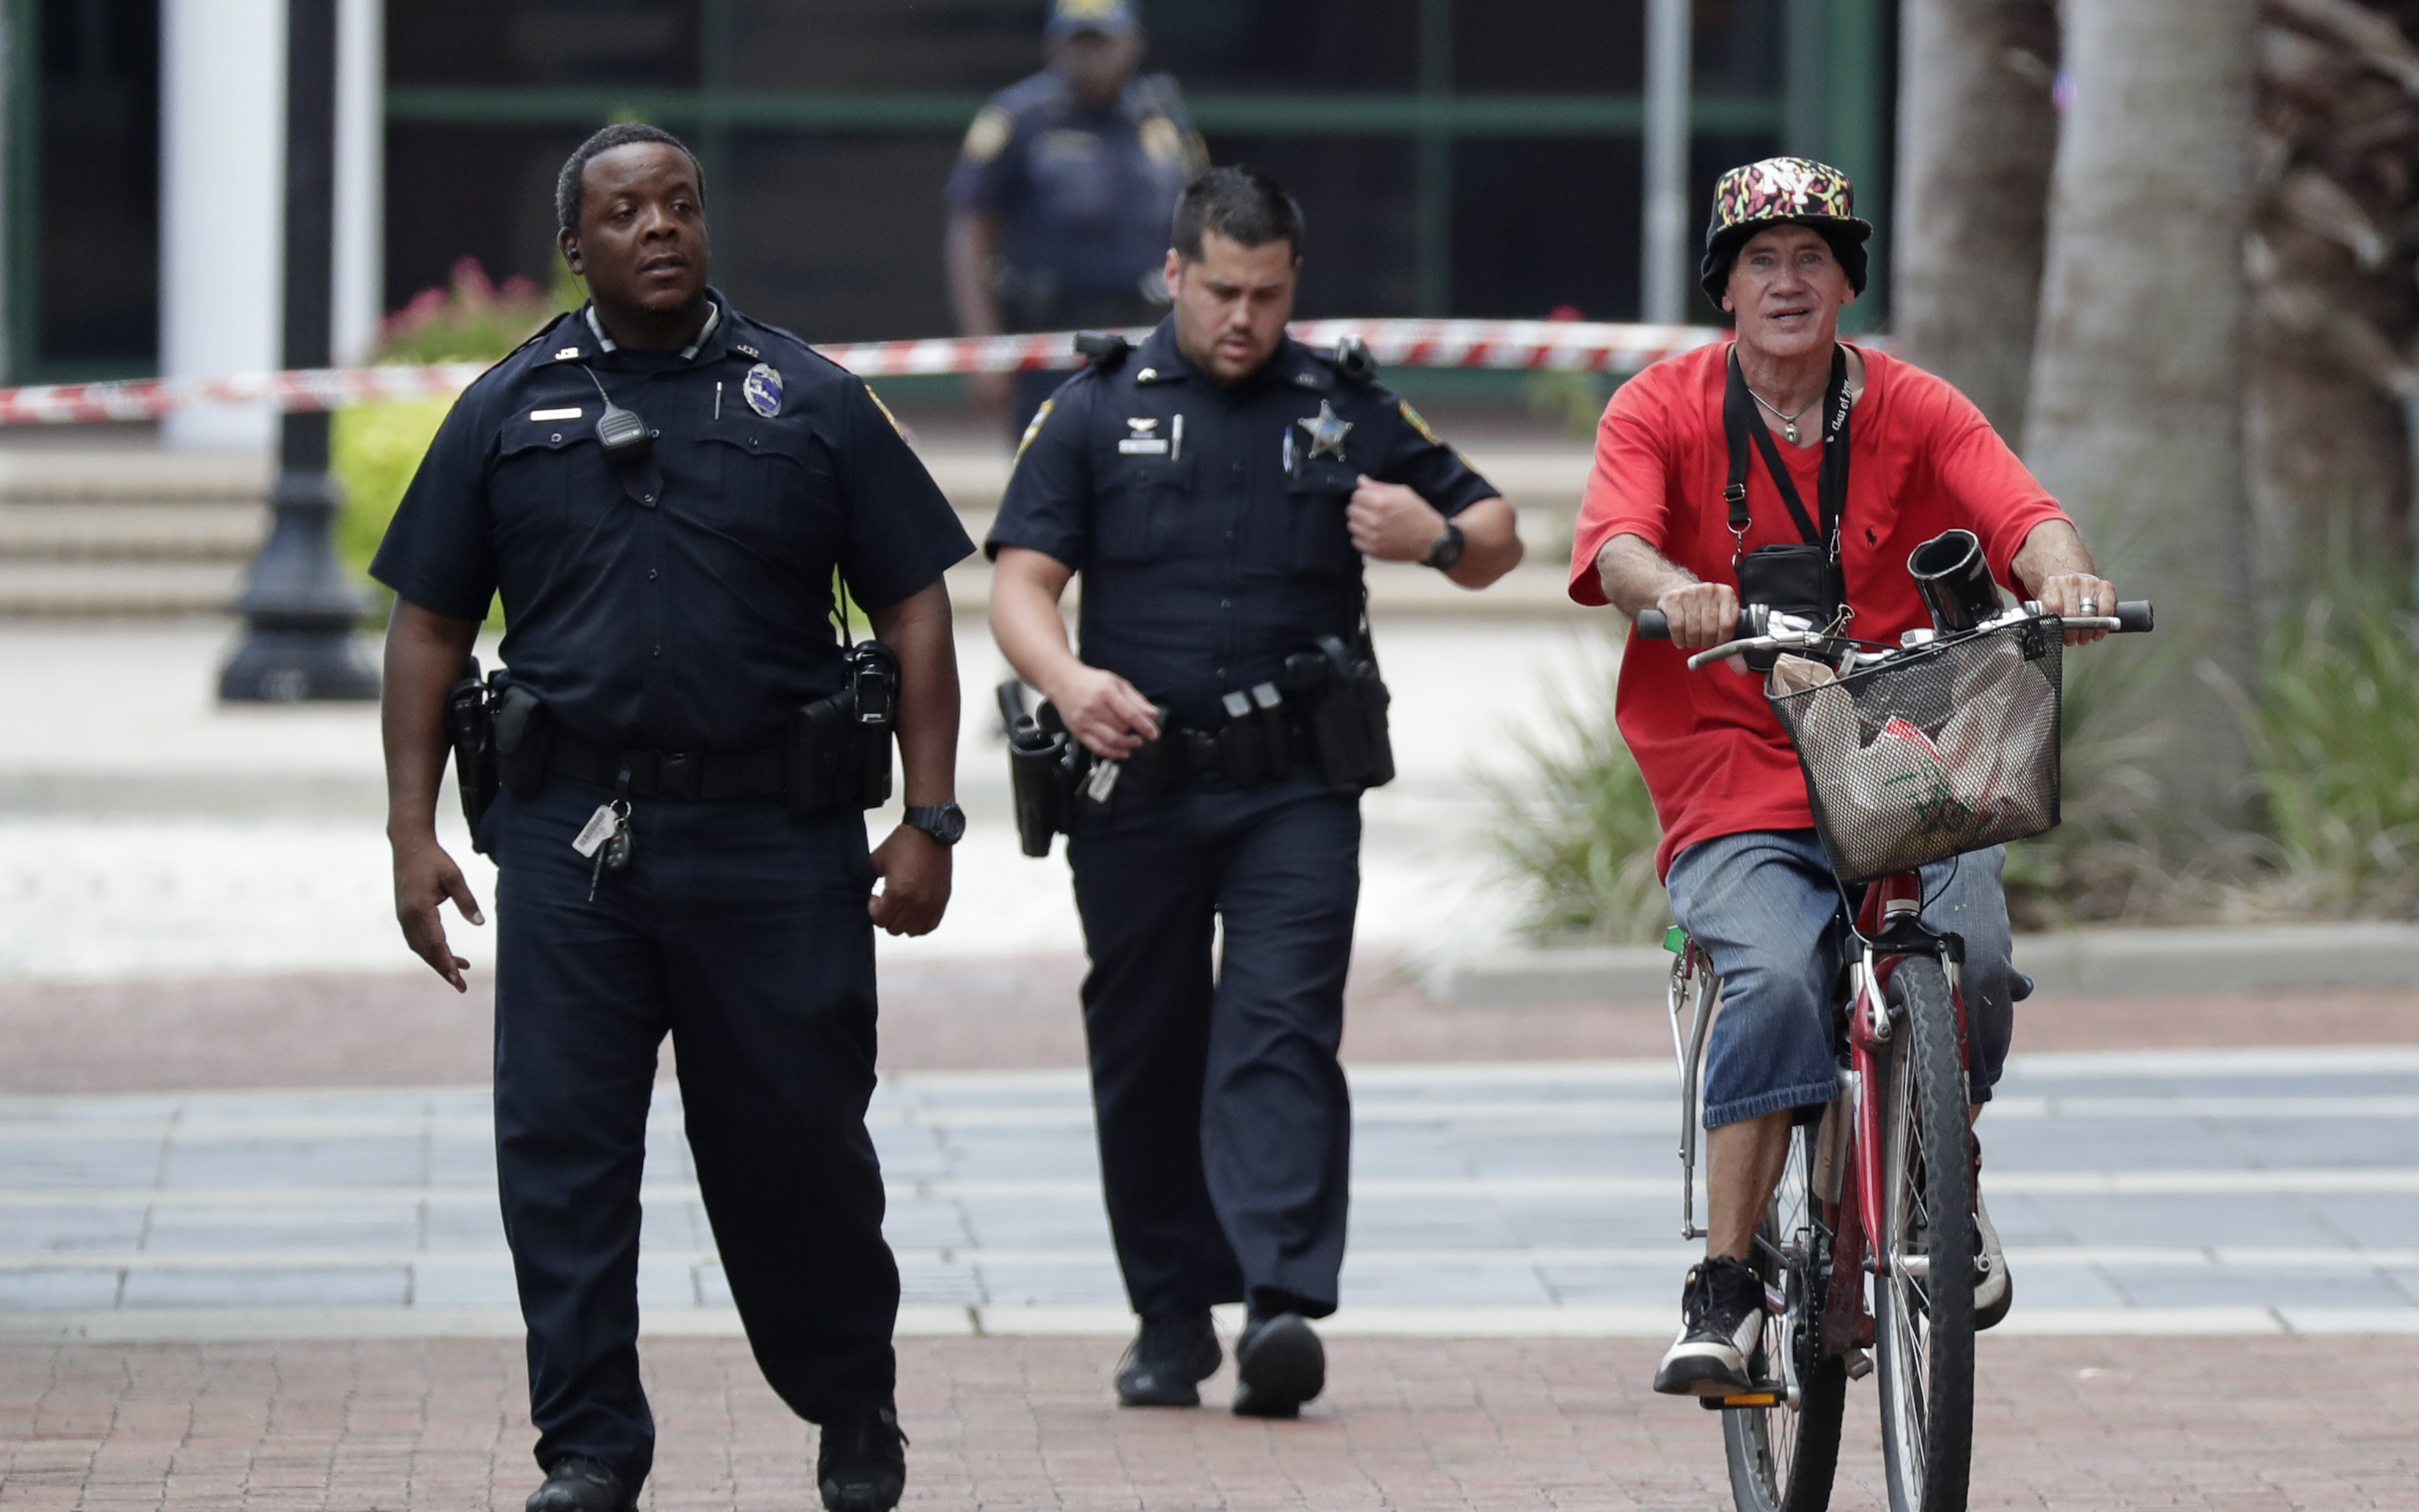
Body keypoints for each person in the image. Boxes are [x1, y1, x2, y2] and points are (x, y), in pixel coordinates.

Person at [374, 123, 973, 1512]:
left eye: (682, 205)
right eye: (626, 211)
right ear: (574, 246)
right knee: (563, 1152)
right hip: (572, 841)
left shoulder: (806, 397)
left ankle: (849, 1398)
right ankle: (589, 1448)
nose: (659, 227)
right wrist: (413, 833)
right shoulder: (507, 409)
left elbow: (917, 602)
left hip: (776, 840)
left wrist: (931, 816)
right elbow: (427, 628)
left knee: (797, 1147)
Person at [1566, 156, 2116, 1395]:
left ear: (1846, 280)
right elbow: (1614, 548)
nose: (1788, 280)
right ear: (1725, 286)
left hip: (1903, 748)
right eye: (1761, 259)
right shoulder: (1660, 408)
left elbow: (2026, 513)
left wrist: (2067, 573)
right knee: (1769, 967)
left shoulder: (1915, 403)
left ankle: (1938, 1181)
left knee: (1968, 962)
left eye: (1813, 256)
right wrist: (1675, 591)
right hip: (1733, 757)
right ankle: (1724, 1281)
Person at [987, 166, 1525, 1417]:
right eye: (1223, 290)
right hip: (1137, 784)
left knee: (1281, 1028)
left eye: (1269, 294)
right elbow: (1020, 583)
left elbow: (1497, 531)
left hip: (1295, 784)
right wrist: (1067, 682)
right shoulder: (1093, 408)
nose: (1245, 317)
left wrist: (1432, 538)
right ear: (1173, 273)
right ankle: (1170, 1314)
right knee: (1149, 1044)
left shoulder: (1344, 407)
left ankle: (1281, 1301)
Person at [945, 0, 1207, 439]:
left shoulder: (1164, 119)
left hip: (1149, 338)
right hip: (1051, 344)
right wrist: (984, 348)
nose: (1089, 55)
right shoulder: (1019, 120)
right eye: (1078, 41)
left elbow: (1202, 231)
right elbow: (971, 234)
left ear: (1133, 44)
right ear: (1054, 44)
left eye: (1102, 41)